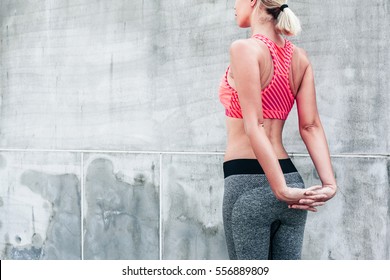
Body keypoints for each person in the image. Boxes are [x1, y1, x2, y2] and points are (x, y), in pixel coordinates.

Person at [219, 0, 337, 260]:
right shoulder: (300, 58)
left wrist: (280, 189)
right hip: (293, 185)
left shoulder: (244, 49)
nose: (233, 5)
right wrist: (329, 185)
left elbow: (254, 125)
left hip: (249, 186)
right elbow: (310, 126)